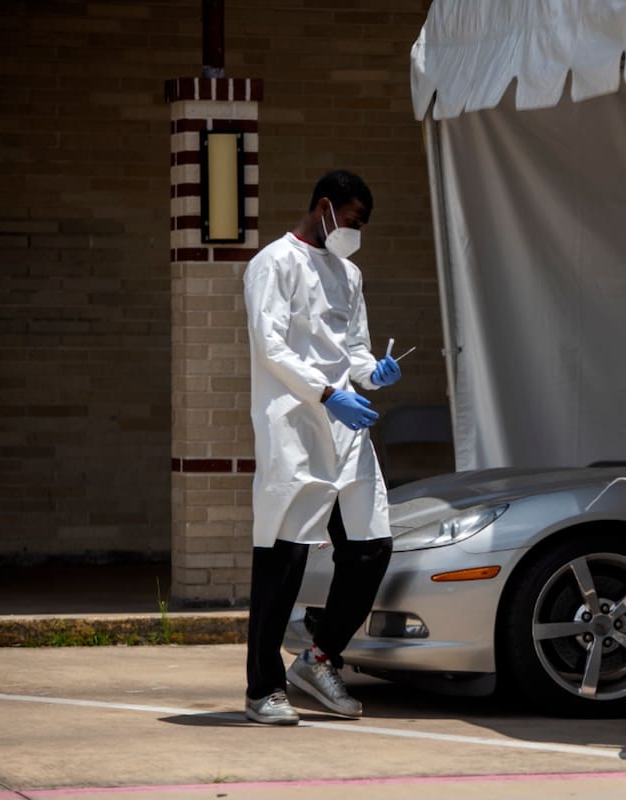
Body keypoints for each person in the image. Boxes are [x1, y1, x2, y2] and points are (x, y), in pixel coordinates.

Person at [242, 169, 401, 725]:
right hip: (295, 427)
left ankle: (318, 657)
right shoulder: (273, 263)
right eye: (353, 220)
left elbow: (353, 348)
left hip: (347, 429)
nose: (355, 231)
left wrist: (373, 375)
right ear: (326, 207)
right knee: (282, 559)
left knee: (371, 547)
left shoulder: (349, 274)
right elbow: (271, 347)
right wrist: (327, 393)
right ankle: (263, 689)